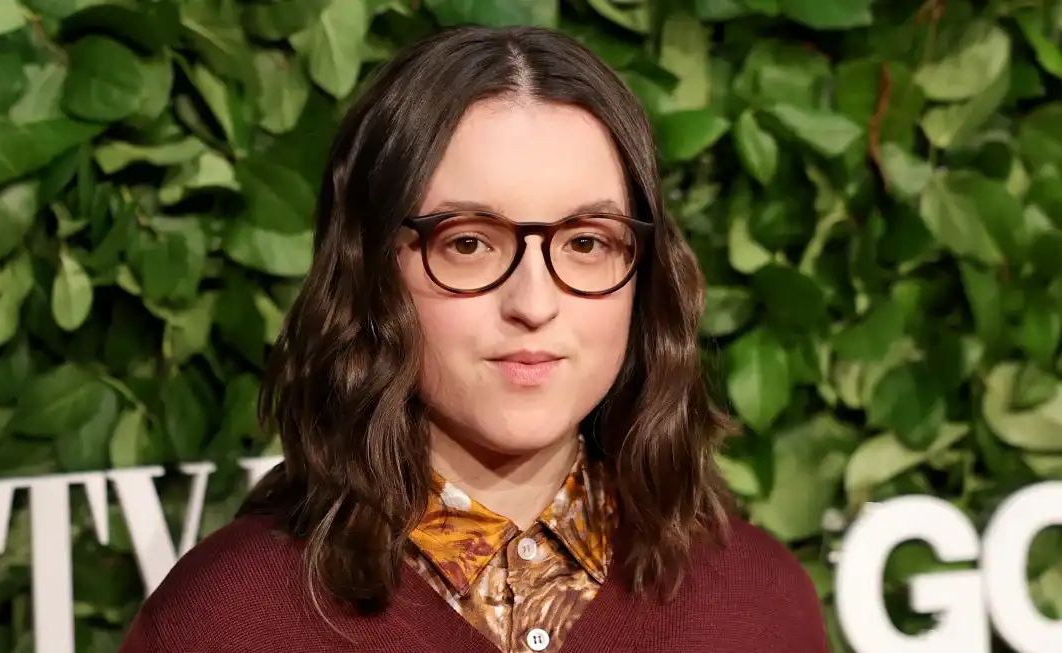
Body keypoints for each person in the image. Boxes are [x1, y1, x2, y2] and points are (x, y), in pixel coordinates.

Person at [119, 25, 828, 653]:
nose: (534, 304)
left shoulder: (761, 603)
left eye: (586, 242)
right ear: (370, 270)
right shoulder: (222, 623)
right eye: (468, 243)